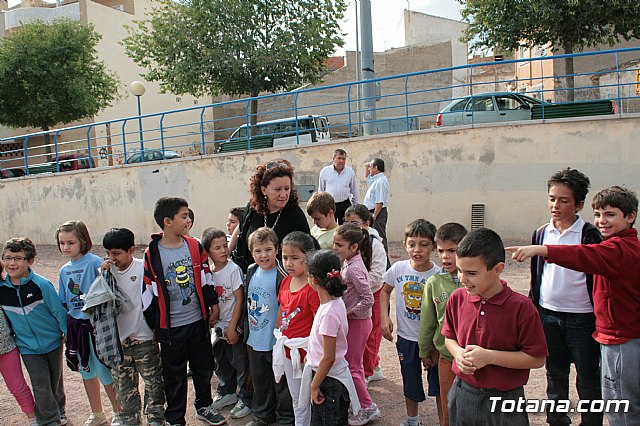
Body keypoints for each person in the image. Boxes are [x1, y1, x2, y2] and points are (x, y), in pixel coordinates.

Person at [509, 186, 640, 426]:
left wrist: (541, 250)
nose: (602, 221)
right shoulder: (544, 232)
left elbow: (583, 255)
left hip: (619, 336)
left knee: (619, 402)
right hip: (568, 321)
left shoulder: (617, 248)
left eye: (610, 215)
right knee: (559, 375)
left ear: (630, 217)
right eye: (598, 214)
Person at [443, 228, 547, 425]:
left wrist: (489, 357)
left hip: (506, 400)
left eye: (471, 273)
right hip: (463, 392)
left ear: (498, 269)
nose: (462, 279)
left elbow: (537, 359)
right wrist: (458, 354)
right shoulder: (457, 298)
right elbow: (449, 337)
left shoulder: (521, 307)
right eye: (460, 270)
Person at [142, 197, 224, 426]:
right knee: (174, 375)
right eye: (184, 216)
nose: (188, 220)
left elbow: (206, 278)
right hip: (171, 329)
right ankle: (175, 417)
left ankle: (204, 407)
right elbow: (147, 291)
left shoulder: (194, 245)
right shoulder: (152, 253)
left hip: (197, 323)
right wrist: (155, 324)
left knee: (203, 367)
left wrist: (213, 304)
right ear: (167, 221)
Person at [530, 168, 603, 426]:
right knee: (555, 374)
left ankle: (591, 421)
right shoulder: (541, 234)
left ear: (579, 204)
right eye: (552, 199)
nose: (555, 205)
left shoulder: (589, 234)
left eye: (563, 200)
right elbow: (537, 276)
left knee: (588, 376)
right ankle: (557, 420)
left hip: (582, 318)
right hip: (548, 315)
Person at [56, 220, 121, 426]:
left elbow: (108, 283)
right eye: (62, 243)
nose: (66, 247)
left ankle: (118, 412)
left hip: (96, 326)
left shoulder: (95, 262)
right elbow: (64, 301)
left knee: (104, 372)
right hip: (77, 327)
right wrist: (66, 329)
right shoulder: (64, 270)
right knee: (86, 371)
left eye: (71, 242)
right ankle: (97, 413)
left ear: (83, 241)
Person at [102, 228, 165, 426]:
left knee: (153, 382)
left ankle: (155, 417)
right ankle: (129, 419)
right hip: (120, 341)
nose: (112, 258)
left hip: (144, 338)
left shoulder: (143, 268)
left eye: (116, 253)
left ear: (131, 250)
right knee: (123, 386)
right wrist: (103, 274)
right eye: (108, 253)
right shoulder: (105, 272)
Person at [380, 219, 440, 426]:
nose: (417, 249)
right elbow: (384, 291)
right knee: (410, 380)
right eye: (412, 244)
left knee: (439, 384)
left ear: (433, 246)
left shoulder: (438, 275)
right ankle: (412, 420)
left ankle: (445, 421)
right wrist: (384, 317)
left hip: (433, 341)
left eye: (424, 244)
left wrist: (436, 343)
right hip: (406, 338)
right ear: (404, 244)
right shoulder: (398, 268)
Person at [0, 238, 56, 426]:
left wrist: (66, 333)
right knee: (39, 384)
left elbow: (56, 311)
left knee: (31, 385)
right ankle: (48, 419)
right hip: (23, 346)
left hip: (10, 347)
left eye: (17, 258)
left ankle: (43, 417)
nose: (12, 263)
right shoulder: (4, 289)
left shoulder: (7, 288)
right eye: (8, 258)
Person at [242, 227, 294, 426]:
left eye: (268, 250)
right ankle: (263, 415)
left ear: (277, 249)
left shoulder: (283, 275)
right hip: (255, 338)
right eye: (258, 251)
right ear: (251, 252)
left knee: (281, 382)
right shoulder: (251, 271)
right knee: (260, 380)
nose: (263, 255)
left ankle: (285, 418)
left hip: (276, 341)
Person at [417, 222, 468, 426]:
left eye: (452, 251)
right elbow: (428, 321)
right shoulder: (434, 282)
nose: (445, 256)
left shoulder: (474, 280)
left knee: (472, 407)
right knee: (448, 406)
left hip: (473, 357)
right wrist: (424, 350)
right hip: (446, 357)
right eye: (440, 251)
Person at [303, 249, 361, 425]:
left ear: (313, 279)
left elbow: (328, 357)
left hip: (329, 380)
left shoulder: (328, 312)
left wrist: (314, 385)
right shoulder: (335, 303)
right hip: (327, 376)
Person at [201, 227, 252, 420]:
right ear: (207, 251)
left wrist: (233, 327)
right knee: (221, 362)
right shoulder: (209, 271)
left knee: (240, 363)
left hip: (233, 327)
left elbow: (239, 299)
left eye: (225, 246)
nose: (223, 250)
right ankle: (227, 392)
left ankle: (246, 398)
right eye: (217, 248)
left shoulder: (232, 270)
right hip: (218, 328)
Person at [332, 224, 379, 425]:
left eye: (339, 245)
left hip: (358, 323)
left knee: (352, 367)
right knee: (355, 366)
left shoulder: (353, 268)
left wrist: (346, 313)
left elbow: (368, 299)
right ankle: (359, 404)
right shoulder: (349, 263)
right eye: (334, 243)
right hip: (356, 322)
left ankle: (367, 407)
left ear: (353, 247)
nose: (335, 248)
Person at [273, 232, 321, 425]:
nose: (288, 263)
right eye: (285, 257)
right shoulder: (285, 281)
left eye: (294, 258)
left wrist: (314, 352)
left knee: (312, 396)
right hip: (288, 350)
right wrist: (278, 334)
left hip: (308, 353)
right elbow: (281, 309)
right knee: (297, 397)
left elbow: (319, 321)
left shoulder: (313, 288)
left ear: (308, 257)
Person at [231, 160, 310, 272]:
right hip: (250, 274)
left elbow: (307, 250)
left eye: (287, 188)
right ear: (264, 190)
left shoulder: (296, 215)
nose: (283, 194)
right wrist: (227, 253)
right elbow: (241, 229)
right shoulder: (252, 208)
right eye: (277, 189)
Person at [343, 203, 386, 382]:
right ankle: (369, 365)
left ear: (367, 223)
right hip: (353, 294)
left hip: (372, 293)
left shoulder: (375, 245)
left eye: (354, 223)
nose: (350, 227)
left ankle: (368, 372)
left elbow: (377, 274)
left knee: (370, 335)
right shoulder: (348, 243)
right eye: (346, 223)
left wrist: (358, 283)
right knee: (355, 335)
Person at [318, 149, 359, 224]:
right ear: (334, 158)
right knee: (329, 226)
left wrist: (355, 207)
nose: (341, 161)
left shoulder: (350, 172)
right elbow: (321, 190)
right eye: (339, 158)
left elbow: (354, 190)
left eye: (343, 159)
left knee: (346, 227)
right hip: (330, 205)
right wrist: (321, 206)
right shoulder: (325, 171)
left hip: (344, 205)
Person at [363, 158, 390, 253]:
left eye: (371, 167)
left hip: (377, 212)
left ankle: (384, 259)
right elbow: (367, 178)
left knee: (379, 237)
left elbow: (379, 202)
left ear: (376, 168)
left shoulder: (380, 182)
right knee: (373, 236)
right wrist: (367, 167)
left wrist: (374, 216)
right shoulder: (376, 179)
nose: (369, 169)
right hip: (373, 212)